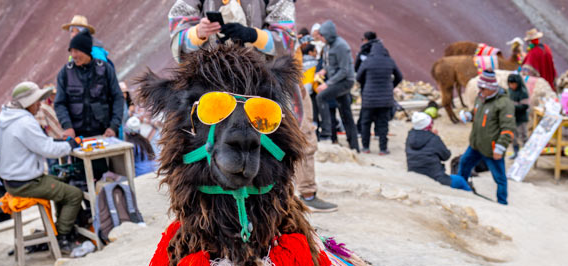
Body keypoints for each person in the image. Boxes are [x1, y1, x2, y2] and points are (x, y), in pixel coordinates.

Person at [167, 0, 337, 212]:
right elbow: (178, 31)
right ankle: (205, 210)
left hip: (264, 85)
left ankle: (301, 194)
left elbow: (286, 38)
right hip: (213, 88)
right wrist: (198, 33)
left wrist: (253, 35)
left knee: (289, 141)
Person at [0, 82, 84, 254]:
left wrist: (61, 143)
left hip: (14, 179)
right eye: (36, 100)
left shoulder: (9, 118)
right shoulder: (24, 122)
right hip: (27, 182)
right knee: (74, 195)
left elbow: (39, 144)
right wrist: (71, 146)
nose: (39, 104)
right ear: (27, 102)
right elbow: (47, 150)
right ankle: (62, 237)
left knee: (62, 182)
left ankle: (59, 229)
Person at [54, 31, 125, 181]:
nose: (74, 55)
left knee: (107, 177)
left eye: (77, 51)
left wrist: (113, 126)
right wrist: (67, 126)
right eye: (71, 51)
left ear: (86, 51)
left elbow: (118, 98)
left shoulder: (105, 69)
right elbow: (60, 103)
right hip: (78, 139)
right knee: (81, 177)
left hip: (103, 136)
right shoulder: (65, 73)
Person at [456, 71, 515, 204]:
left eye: (483, 88)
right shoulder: (481, 97)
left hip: (492, 148)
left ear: (492, 88)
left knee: (499, 178)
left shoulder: (504, 104)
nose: (480, 90)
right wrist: (468, 116)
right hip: (476, 144)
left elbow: (508, 128)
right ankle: (460, 190)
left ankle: (502, 203)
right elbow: (476, 112)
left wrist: (500, 148)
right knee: (464, 163)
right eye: (479, 87)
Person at [316, 21, 360, 152]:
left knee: (321, 97)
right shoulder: (329, 46)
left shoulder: (341, 46)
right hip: (337, 80)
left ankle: (326, 134)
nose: (321, 39)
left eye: (322, 36)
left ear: (328, 35)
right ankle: (354, 146)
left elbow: (344, 70)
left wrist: (327, 84)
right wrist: (323, 70)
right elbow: (331, 64)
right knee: (346, 113)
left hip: (345, 81)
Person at [356, 35, 402, 154]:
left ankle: (366, 148)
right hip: (385, 99)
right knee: (383, 124)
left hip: (369, 99)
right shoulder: (389, 61)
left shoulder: (367, 61)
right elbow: (399, 76)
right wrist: (391, 86)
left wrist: (366, 85)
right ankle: (383, 149)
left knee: (366, 123)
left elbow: (358, 77)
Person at [405, 112, 471, 190]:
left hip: (414, 175)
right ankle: (474, 199)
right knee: (461, 181)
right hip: (435, 177)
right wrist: (435, 136)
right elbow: (446, 156)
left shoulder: (410, 137)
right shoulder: (433, 139)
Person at [507, 73, 530, 159]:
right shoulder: (509, 91)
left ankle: (526, 154)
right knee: (513, 137)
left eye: (513, 83)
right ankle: (516, 152)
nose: (512, 85)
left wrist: (513, 106)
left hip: (521, 118)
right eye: (510, 84)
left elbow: (525, 106)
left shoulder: (523, 92)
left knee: (523, 135)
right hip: (512, 118)